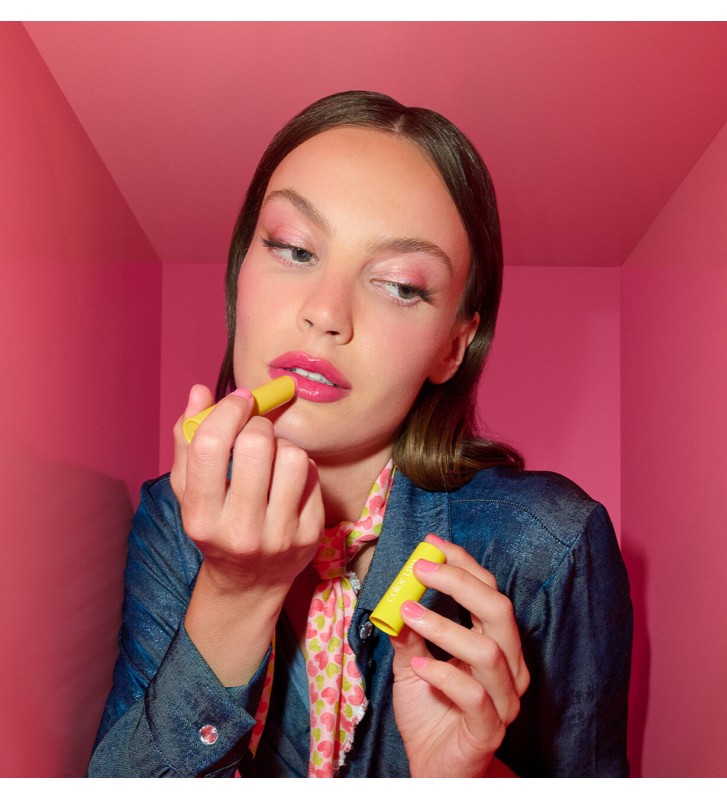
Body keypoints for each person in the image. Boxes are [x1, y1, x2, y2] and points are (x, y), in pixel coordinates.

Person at [88, 90, 632, 778]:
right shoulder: (173, 515)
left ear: (452, 347)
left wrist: (466, 782)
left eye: (400, 286)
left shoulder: (546, 545)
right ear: (240, 272)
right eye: (293, 249)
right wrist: (235, 593)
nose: (326, 313)